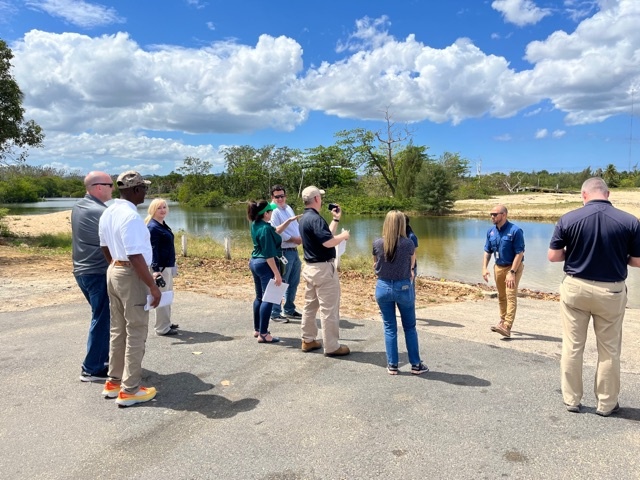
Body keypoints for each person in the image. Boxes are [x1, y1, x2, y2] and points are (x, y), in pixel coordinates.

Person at [548, 177, 640, 416]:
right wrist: (621, 257)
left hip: (576, 287)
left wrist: (574, 252)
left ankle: (572, 399)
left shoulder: (568, 219)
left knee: (572, 346)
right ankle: (607, 403)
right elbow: (638, 261)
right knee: (609, 349)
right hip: (611, 291)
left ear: (584, 195)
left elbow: (553, 257)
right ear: (607, 194)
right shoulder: (630, 221)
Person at [99, 171, 162, 407]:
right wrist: (152, 286)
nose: (145, 192)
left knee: (118, 329)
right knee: (136, 329)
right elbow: (136, 255)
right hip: (130, 272)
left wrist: (116, 265)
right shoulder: (131, 217)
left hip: (114, 269)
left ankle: (113, 381)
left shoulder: (109, 212)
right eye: (143, 188)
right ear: (135, 190)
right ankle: (130, 389)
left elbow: (104, 246)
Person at [373, 211, 428, 375]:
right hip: (403, 287)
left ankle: (392, 365)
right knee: (409, 327)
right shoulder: (408, 243)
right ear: (402, 224)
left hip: (383, 287)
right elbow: (412, 267)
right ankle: (416, 365)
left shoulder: (377, 243)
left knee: (389, 327)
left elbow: (375, 267)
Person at [298, 186, 351, 356]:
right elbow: (328, 243)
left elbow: (324, 236)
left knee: (310, 306)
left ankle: (308, 339)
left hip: (310, 268)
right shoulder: (316, 219)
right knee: (329, 309)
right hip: (323, 269)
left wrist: (335, 220)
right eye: (319, 197)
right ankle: (332, 346)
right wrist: (344, 236)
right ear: (315, 199)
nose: (321, 200)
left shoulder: (305, 218)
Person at [72, 171, 113, 382]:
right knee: (102, 318)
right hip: (96, 272)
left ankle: (101, 359)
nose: (113, 189)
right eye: (110, 185)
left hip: (82, 271)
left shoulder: (80, 206)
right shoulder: (99, 211)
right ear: (98, 187)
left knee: (102, 317)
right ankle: (92, 368)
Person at [248, 200, 299, 344]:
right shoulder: (266, 229)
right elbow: (269, 254)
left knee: (259, 297)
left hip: (255, 262)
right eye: (270, 211)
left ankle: (258, 328)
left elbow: (275, 232)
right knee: (268, 298)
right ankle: (264, 334)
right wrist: (277, 274)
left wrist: (288, 221)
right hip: (265, 263)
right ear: (265, 214)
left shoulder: (257, 225)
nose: (272, 213)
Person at [482, 205, 525, 338]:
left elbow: (520, 253)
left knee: (510, 295)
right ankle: (502, 320)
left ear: (504, 215)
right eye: (491, 214)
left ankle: (507, 326)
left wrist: (512, 272)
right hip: (498, 267)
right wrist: (484, 267)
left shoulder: (515, 231)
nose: (492, 217)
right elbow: (487, 251)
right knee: (501, 296)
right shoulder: (491, 232)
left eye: (495, 214)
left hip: (512, 267)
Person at [145, 198, 179, 336]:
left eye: (164, 207)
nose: (163, 210)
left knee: (167, 295)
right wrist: (156, 271)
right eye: (159, 208)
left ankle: (166, 322)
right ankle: (162, 328)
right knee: (163, 296)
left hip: (167, 265)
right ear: (153, 209)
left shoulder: (162, 225)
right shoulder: (153, 227)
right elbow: (153, 250)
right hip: (161, 268)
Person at [269, 185, 302, 323]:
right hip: (283, 251)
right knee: (281, 281)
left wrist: (300, 237)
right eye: (277, 196)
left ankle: (289, 309)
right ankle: (275, 312)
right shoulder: (273, 211)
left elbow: (295, 226)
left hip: (293, 250)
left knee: (294, 282)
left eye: (282, 195)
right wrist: (293, 238)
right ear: (272, 197)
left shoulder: (288, 208)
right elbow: (276, 231)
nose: (280, 198)